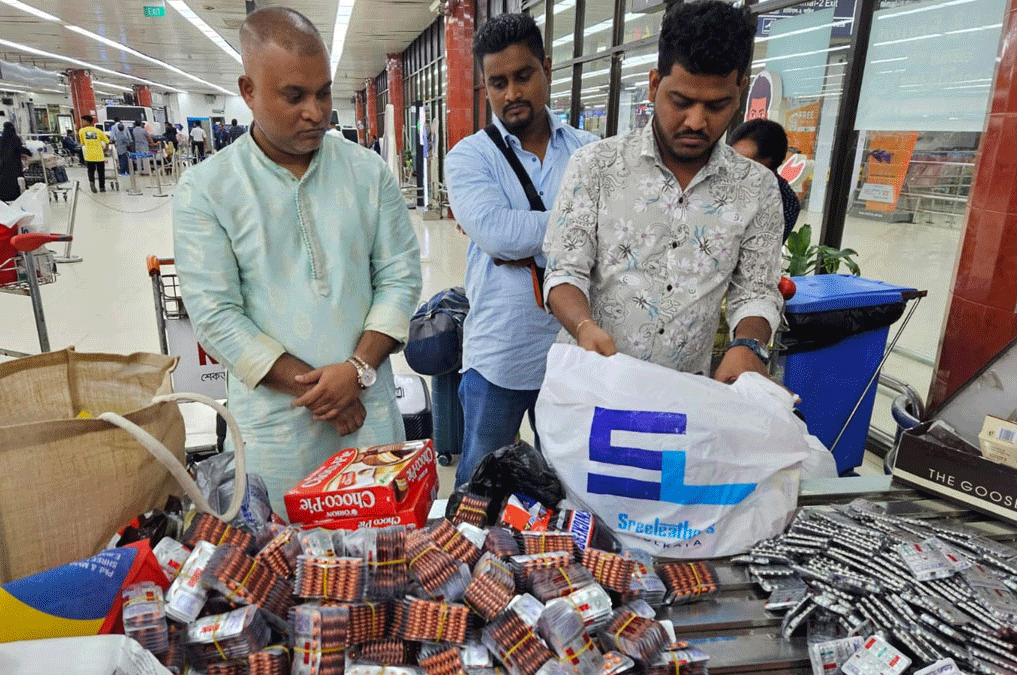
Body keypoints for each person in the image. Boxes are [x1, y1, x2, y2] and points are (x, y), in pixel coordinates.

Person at [173, 6, 422, 512]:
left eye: (323, 92)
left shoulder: (366, 171)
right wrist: (324, 392)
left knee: (384, 560)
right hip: (277, 427)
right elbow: (216, 315)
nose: (317, 112)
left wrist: (355, 372)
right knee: (280, 566)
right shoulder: (208, 189)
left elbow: (400, 276)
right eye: (295, 96)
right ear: (248, 91)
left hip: (368, 412)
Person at [543, 0, 784, 384]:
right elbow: (563, 274)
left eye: (717, 105)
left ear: (740, 92)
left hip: (683, 394)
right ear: (655, 84)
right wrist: (584, 325)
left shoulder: (757, 188)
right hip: (592, 384)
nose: (696, 121)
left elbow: (755, 291)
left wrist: (747, 347)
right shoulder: (596, 167)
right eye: (681, 101)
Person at [445, 13, 598, 487]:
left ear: (546, 68)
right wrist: (578, 228)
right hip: (500, 352)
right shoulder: (470, 156)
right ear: (486, 87)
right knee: (480, 483)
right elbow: (495, 232)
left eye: (523, 76)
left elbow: (610, 233)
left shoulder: (589, 151)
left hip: (575, 349)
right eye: (498, 82)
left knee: (571, 483)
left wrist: (530, 237)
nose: (512, 93)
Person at [731, 118, 801, 241]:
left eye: (747, 164)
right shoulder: (713, 176)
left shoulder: (785, 202)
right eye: (732, 158)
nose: (736, 167)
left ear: (773, 165)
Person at [0, 121, 32, 203]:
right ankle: (15, 195)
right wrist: (28, 152)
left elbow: (0, 150)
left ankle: (2, 196)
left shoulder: (1, 139)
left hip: (4, 164)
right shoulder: (15, 138)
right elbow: (18, 148)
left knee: (4, 180)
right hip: (14, 164)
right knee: (15, 180)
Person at [78, 115, 110, 193]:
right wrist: (106, 149)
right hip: (99, 155)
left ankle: (92, 182)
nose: (82, 123)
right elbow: (107, 141)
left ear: (87, 121)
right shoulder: (98, 131)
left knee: (91, 171)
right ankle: (102, 187)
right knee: (101, 172)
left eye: (83, 121)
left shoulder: (82, 131)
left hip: (89, 155)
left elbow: (82, 143)